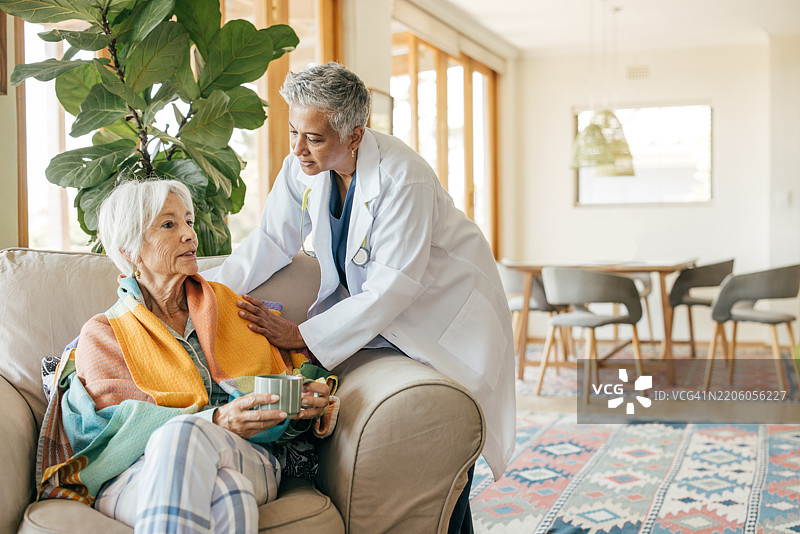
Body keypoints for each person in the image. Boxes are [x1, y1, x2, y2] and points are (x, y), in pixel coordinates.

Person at [204, 62, 515, 532]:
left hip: (446, 321)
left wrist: (303, 335)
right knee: (431, 468)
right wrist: (210, 292)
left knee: (446, 449)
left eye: (313, 138)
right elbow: (269, 241)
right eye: (293, 133)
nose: (297, 149)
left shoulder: (402, 176)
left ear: (354, 135)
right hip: (384, 323)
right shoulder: (300, 169)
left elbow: (394, 285)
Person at [37, 180, 339, 533]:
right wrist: (217, 418)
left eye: (189, 221)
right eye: (169, 224)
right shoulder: (103, 333)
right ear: (131, 249)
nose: (190, 235)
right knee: (229, 495)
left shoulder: (232, 308)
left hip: (245, 454)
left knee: (182, 436)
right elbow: (116, 430)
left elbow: (276, 388)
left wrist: (299, 402)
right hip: (133, 471)